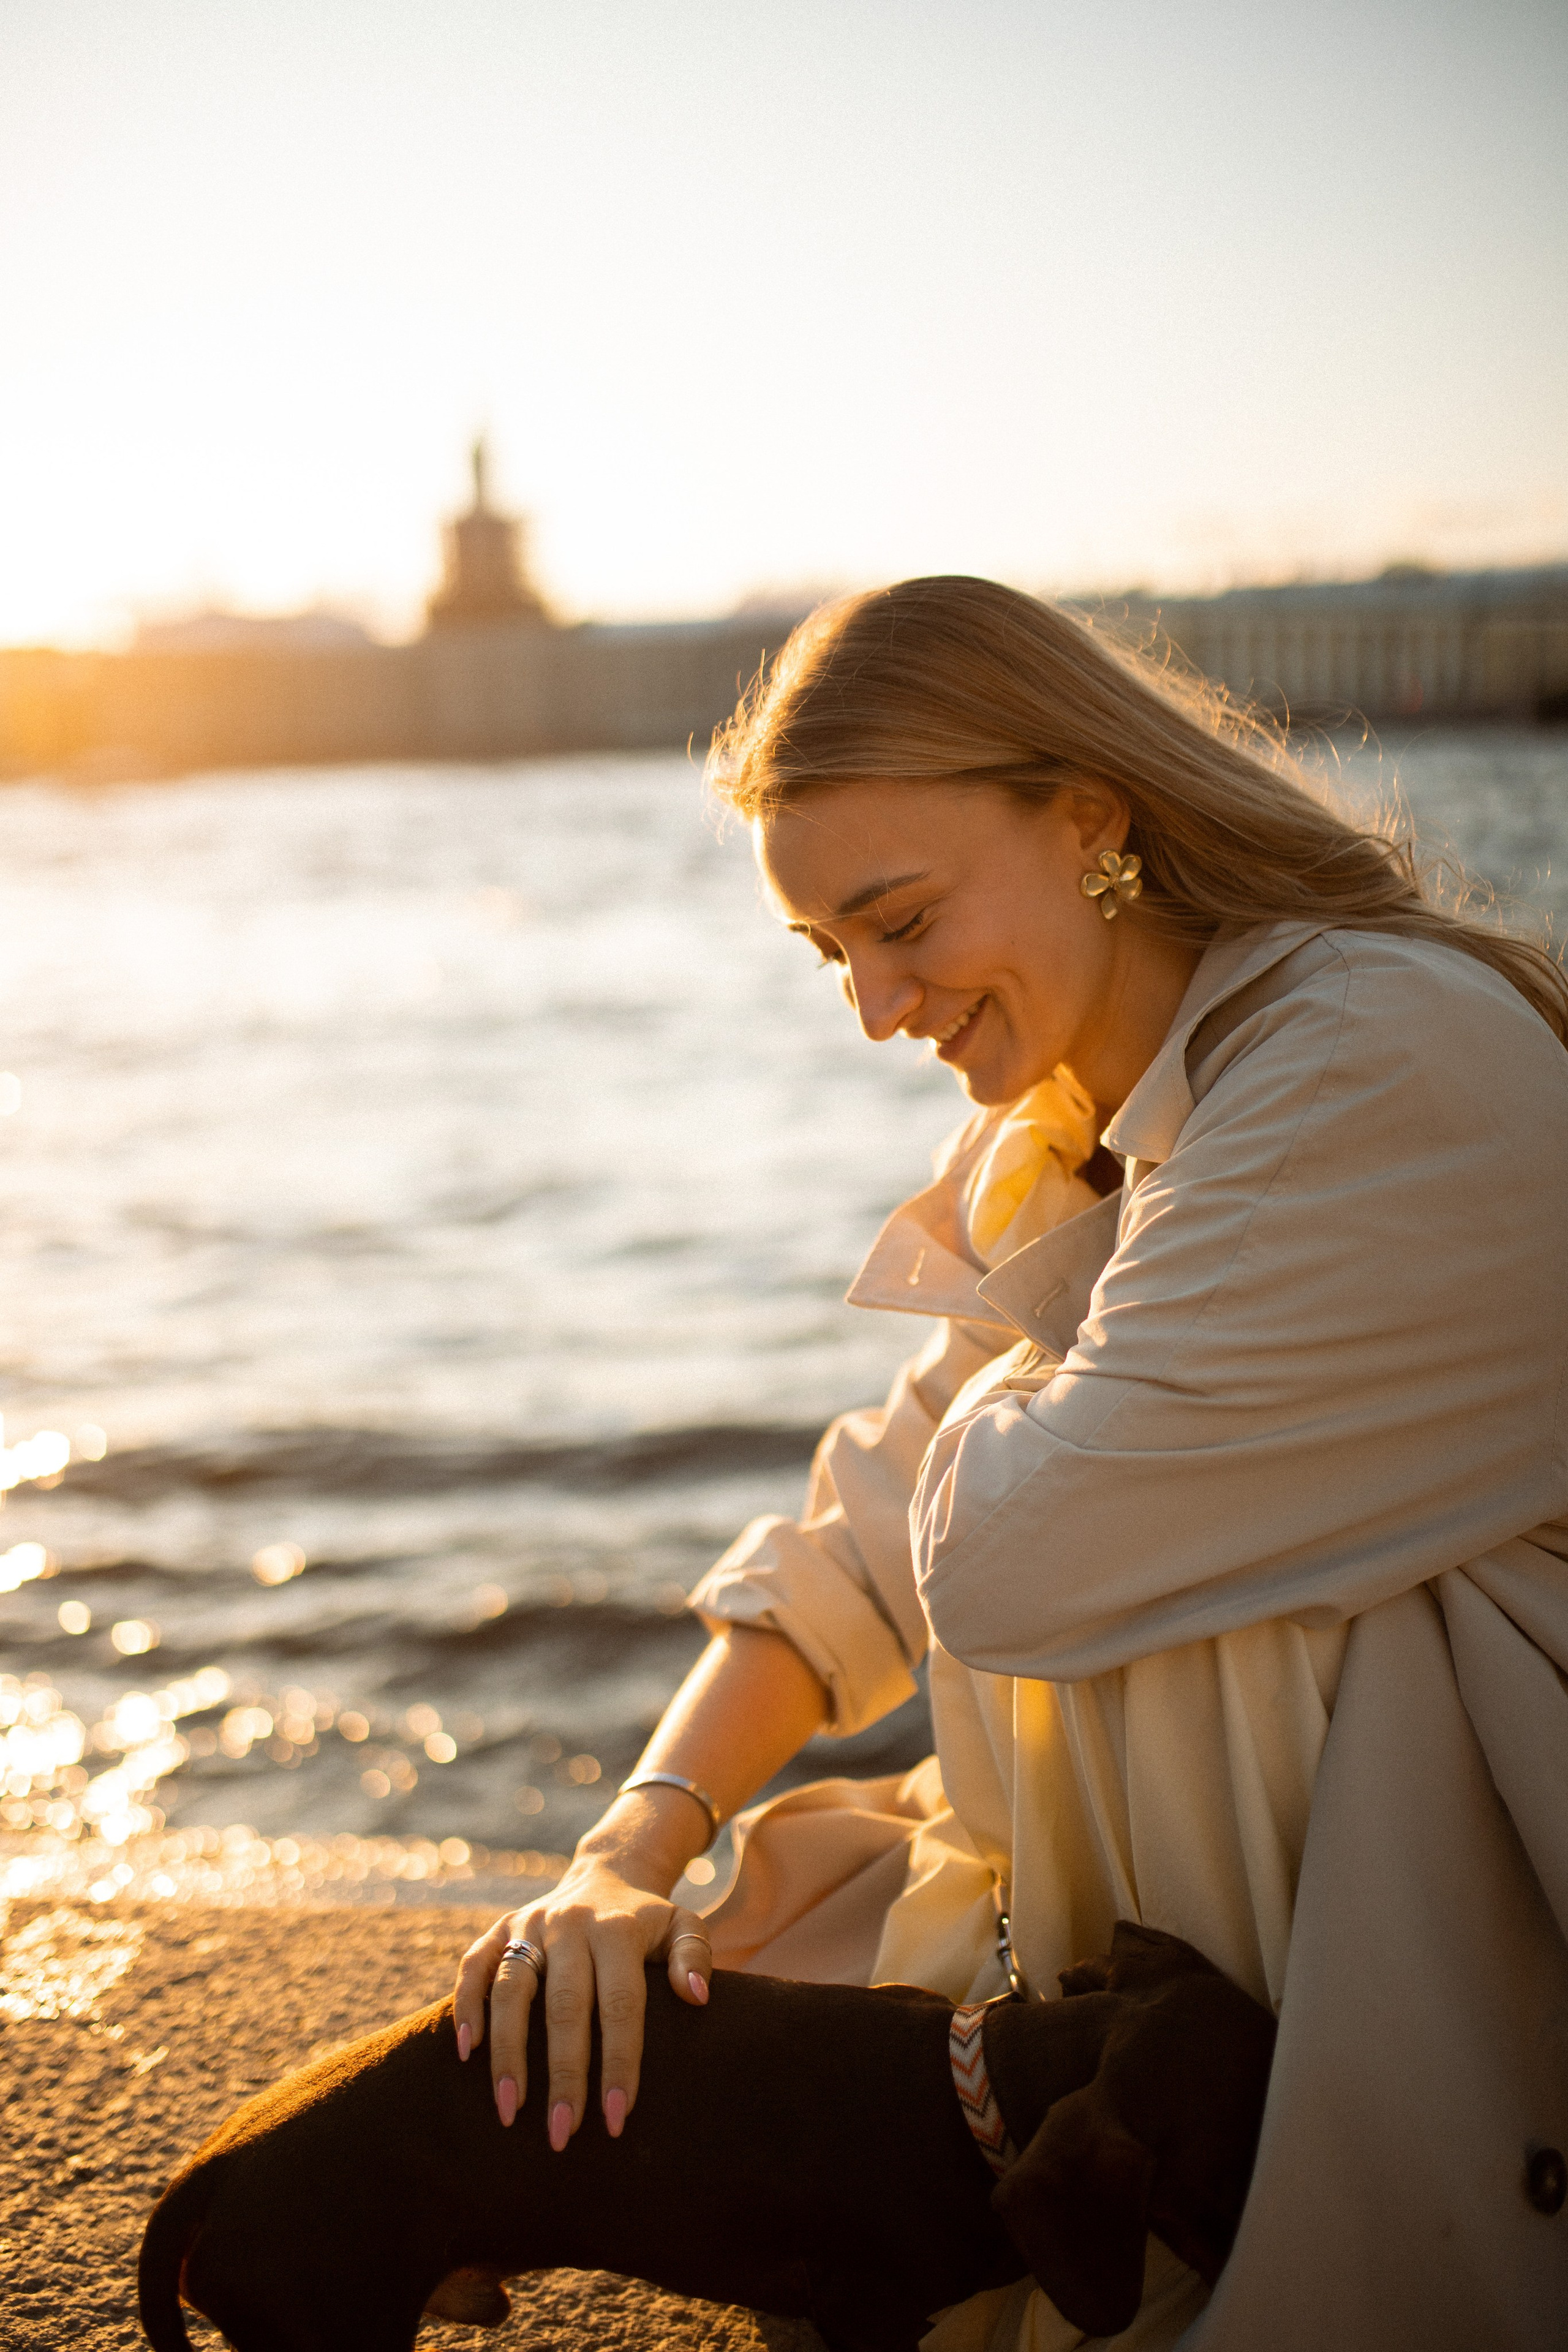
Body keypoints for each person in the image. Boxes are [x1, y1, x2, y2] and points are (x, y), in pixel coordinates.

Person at [454, 577, 1568, 2350]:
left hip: (1481, 1921)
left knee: (1168, 1603)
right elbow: (874, 1530)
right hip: (1290, 1910)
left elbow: (1000, 1560)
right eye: (836, 958)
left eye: (899, 923)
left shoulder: (1367, 1052)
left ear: (1092, 815)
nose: (879, 1011)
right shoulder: (1076, 1128)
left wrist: (1011, 1372)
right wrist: (630, 1847)